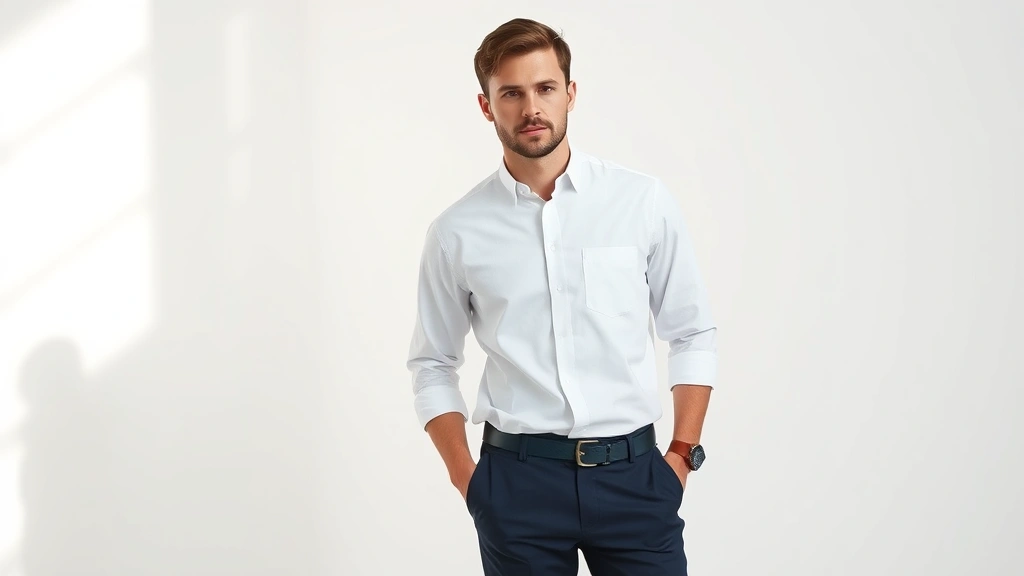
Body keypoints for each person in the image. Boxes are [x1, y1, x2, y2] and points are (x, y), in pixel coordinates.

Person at [406, 17, 717, 576]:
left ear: (570, 93)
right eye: (512, 93)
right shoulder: (457, 231)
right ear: (486, 105)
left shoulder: (640, 202)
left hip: (635, 478)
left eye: (546, 88)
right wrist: (469, 481)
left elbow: (691, 331)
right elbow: (432, 363)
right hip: (517, 485)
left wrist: (680, 456)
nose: (532, 108)